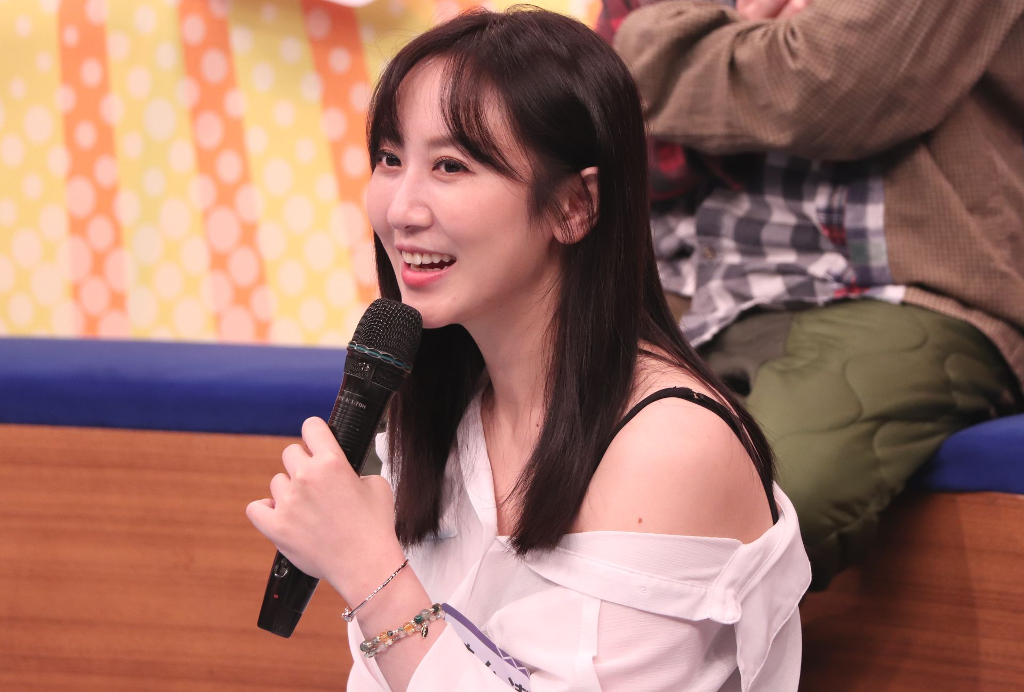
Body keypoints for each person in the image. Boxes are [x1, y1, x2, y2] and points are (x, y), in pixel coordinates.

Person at [247, 8, 810, 691]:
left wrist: (372, 574)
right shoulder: (444, 420)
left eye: (450, 166)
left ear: (574, 205)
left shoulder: (670, 446)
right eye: (391, 160)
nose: (400, 209)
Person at [609, 0, 1024, 589]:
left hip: (892, 291)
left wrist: (674, 38)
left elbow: (832, 83)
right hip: (681, 281)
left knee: (736, 515)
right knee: (521, 468)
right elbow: (606, 80)